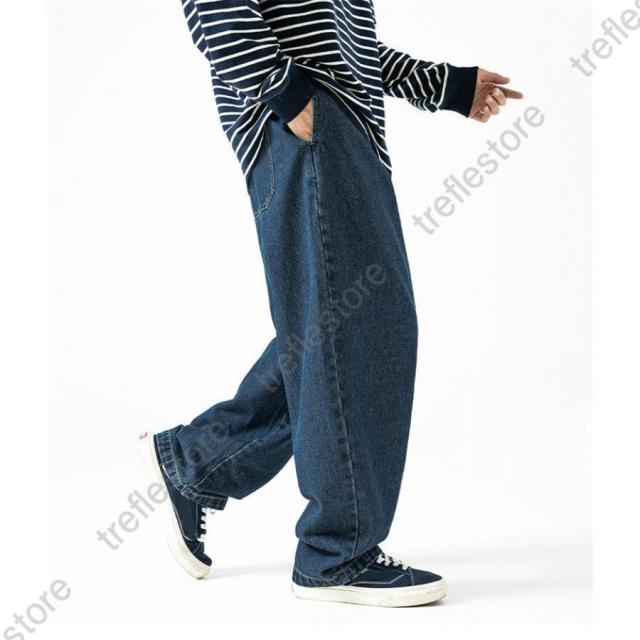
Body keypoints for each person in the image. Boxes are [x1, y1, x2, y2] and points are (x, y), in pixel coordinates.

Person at [139, 0, 522, 607]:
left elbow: (343, 49)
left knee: (341, 330)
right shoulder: (295, 102)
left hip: (338, 129)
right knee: (356, 331)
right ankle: (335, 553)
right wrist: (285, 93)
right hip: (304, 125)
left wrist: (443, 85)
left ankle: (197, 462)